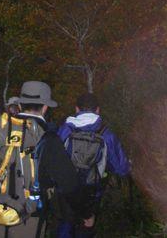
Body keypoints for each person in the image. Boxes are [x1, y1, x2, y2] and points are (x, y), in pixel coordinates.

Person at [0, 81, 87, 238]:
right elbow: (69, 184)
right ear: (45, 107)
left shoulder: (0, 129)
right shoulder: (48, 139)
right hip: (29, 219)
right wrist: (86, 214)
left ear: (21, 105)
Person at [57, 93, 131, 238]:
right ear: (98, 110)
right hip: (92, 191)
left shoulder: (65, 129)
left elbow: (54, 158)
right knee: (86, 225)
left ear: (76, 109)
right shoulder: (106, 133)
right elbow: (122, 169)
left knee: (66, 223)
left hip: (66, 190)